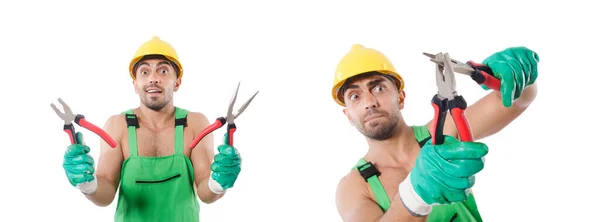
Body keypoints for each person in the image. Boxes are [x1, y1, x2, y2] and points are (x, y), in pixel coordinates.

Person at [333, 44, 539, 221]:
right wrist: (415, 194)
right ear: (348, 115)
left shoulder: (442, 132)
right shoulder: (353, 187)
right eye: (355, 96)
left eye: (378, 88)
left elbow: (515, 101)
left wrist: (518, 78)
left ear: (401, 97)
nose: (369, 103)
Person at [61, 36, 243, 222]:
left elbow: (206, 193)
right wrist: (87, 184)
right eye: (145, 72)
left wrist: (218, 183)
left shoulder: (195, 123)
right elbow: (105, 195)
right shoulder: (118, 125)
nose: (153, 79)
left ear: (177, 82)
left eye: (163, 71)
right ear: (135, 85)